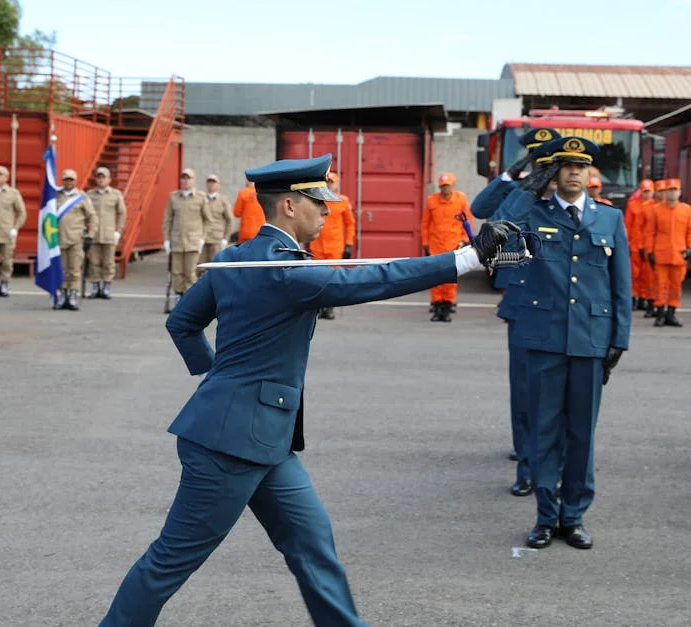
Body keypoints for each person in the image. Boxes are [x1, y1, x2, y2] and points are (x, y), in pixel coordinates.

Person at [97, 153, 516, 626]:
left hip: (263, 438)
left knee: (314, 548)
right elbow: (376, 279)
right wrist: (468, 257)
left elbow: (182, 323)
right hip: (229, 445)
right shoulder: (285, 272)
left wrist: (220, 380)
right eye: (320, 203)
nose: (327, 210)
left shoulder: (234, 259)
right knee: (170, 562)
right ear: (290, 206)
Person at [496, 136, 631, 550]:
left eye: (581, 166)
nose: (574, 172)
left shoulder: (610, 218)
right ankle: (544, 517)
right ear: (554, 173)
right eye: (565, 166)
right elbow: (496, 233)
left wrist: (619, 338)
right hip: (544, 339)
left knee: (581, 435)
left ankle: (573, 517)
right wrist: (529, 188)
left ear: (591, 173)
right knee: (543, 432)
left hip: (590, 340)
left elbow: (621, 285)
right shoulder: (532, 213)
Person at [471, 127, 560, 473]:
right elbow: (483, 211)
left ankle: (550, 450)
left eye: (548, 160)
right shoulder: (520, 193)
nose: (542, 166)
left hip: (559, 297)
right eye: (536, 159)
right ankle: (525, 452)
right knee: (523, 382)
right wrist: (513, 175)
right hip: (523, 296)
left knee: (555, 386)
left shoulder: (567, 200)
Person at [643, 178, 691, 327]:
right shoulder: (656, 210)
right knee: (660, 285)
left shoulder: (686, 209)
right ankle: (660, 314)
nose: (672, 193)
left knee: (675, 286)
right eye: (669, 190)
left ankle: (671, 314)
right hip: (661, 254)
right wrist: (649, 251)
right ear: (665, 192)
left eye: (675, 190)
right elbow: (650, 232)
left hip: (679, 254)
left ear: (679, 192)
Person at [421, 172, 472, 322]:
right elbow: (425, 224)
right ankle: (437, 305)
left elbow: (467, 221)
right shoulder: (431, 201)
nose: (445, 189)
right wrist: (425, 243)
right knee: (436, 276)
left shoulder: (460, 200)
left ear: (453, 186)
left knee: (451, 276)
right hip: (435, 245)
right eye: (443, 186)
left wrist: (465, 240)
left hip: (454, 245)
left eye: (448, 186)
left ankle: (447, 305)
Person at [310, 172, 356, 320]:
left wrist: (349, 244)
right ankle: (319, 307)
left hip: (335, 246)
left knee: (333, 278)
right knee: (317, 278)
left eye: (331, 182)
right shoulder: (317, 200)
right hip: (317, 245)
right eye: (327, 182)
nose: (329, 185)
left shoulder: (343, 201)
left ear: (337, 184)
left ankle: (329, 308)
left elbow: (350, 224)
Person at [163, 168, 211, 303]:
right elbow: (167, 220)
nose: (185, 181)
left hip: (193, 241)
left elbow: (208, 220)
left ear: (193, 180)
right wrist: (166, 240)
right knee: (177, 272)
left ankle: (189, 299)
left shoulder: (200, 197)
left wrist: (202, 238)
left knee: (190, 272)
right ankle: (178, 296)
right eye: (183, 178)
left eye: (188, 178)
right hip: (177, 241)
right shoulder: (173, 197)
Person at [55, 169, 96, 311]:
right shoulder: (55, 196)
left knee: (74, 269)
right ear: (62, 181)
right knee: (61, 270)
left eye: (71, 180)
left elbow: (92, 217)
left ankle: (72, 295)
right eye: (66, 179)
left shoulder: (82, 197)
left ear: (75, 181)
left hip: (76, 239)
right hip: (58, 239)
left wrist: (90, 235)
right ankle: (62, 294)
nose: (68, 182)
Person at [0, 165, 27, 297]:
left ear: (6, 177)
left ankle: (4, 283)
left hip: (7, 233)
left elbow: (22, 213)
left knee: (7, 261)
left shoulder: (13, 193)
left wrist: (15, 228)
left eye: (0, 174)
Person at [86, 166, 127, 299]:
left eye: (104, 177)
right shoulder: (89, 195)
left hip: (109, 234)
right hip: (94, 234)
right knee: (94, 262)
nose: (101, 180)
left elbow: (122, 213)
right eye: (99, 177)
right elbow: (85, 213)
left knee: (109, 263)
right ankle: (95, 286)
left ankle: (106, 286)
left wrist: (118, 231)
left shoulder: (115, 194)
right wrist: (86, 230)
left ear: (109, 179)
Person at [626, 180, 654, 310]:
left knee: (646, 274)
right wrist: (626, 242)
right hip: (635, 245)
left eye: (649, 191)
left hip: (647, 245)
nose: (646, 194)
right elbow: (628, 225)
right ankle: (632, 298)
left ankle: (643, 298)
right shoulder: (633, 206)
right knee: (634, 273)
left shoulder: (655, 206)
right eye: (644, 191)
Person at [639, 180, 664, 318]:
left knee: (662, 281)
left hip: (665, 249)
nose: (662, 194)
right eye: (660, 191)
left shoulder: (670, 208)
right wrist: (644, 247)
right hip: (651, 248)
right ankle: (650, 305)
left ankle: (662, 306)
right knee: (649, 278)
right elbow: (642, 230)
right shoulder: (647, 207)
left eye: (664, 191)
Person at [199, 174, 233, 272]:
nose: (211, 185)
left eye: (213, 182)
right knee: (201, 267)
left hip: (217, 239)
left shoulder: (223, 201)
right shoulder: (201, 199)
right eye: (209, 182)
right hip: (202, 238)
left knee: (215, 267)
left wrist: (225, 238)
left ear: (218, 185)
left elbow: (229, 220)